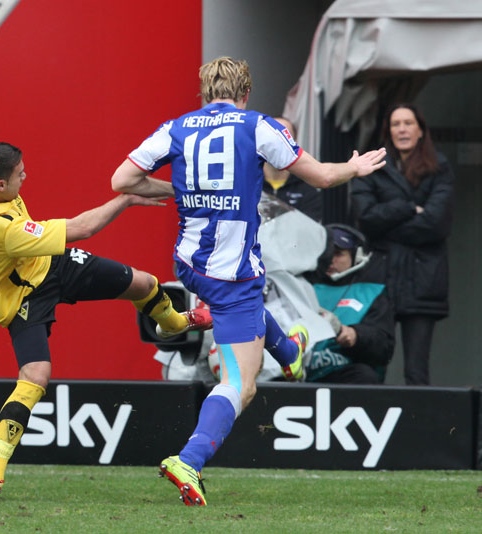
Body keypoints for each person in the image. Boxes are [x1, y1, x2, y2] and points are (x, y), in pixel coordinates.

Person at [111, 56, 386, 505]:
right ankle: (189, 459)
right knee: (242, 384)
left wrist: (177, 191)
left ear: (204, 93)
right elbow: (321, 176)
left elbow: (122, 180)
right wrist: (353, 168)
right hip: (231, 275)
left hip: (190, 264)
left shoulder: (176, 128)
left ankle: (288, 351)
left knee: (255, 293)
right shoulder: (258, 126)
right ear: (245, 93)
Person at [0, 141, 211, 502]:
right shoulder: (4, 228)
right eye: (19, 173)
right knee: (35, 377)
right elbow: (82, 228)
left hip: (50, 265)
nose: (25, 176)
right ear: (0, 185)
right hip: (23, 295)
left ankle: (175, 324)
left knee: (145, 284)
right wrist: (125, 200)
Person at [351, 103, 453, 386]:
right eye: (396, 124)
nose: (402, 129)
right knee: (371, 365)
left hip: (422, 281)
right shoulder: (373, 166)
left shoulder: (440, 167)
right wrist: (407, 208)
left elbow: (436, 224)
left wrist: (386, 224)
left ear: (420, 130)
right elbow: (365, 219)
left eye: (408, 123)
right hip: (380, 278)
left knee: (416, 371)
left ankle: (418, 417)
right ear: (388, 131)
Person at [305, 224, 394, 384]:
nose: (330, 259)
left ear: (357, 256)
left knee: (364, 376)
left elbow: (384, 347)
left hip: (343, 374)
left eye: (338, 253)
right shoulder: (302, 287)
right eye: (326, 253)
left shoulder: (372, 293)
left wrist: (356, 335)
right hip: (298, 373)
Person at [262, 117, 323, 222]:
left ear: (294, 144)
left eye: (284, 137)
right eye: (271, 137)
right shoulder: (246, 185)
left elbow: (309, 229)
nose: (276, 144)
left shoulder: (307, 190)